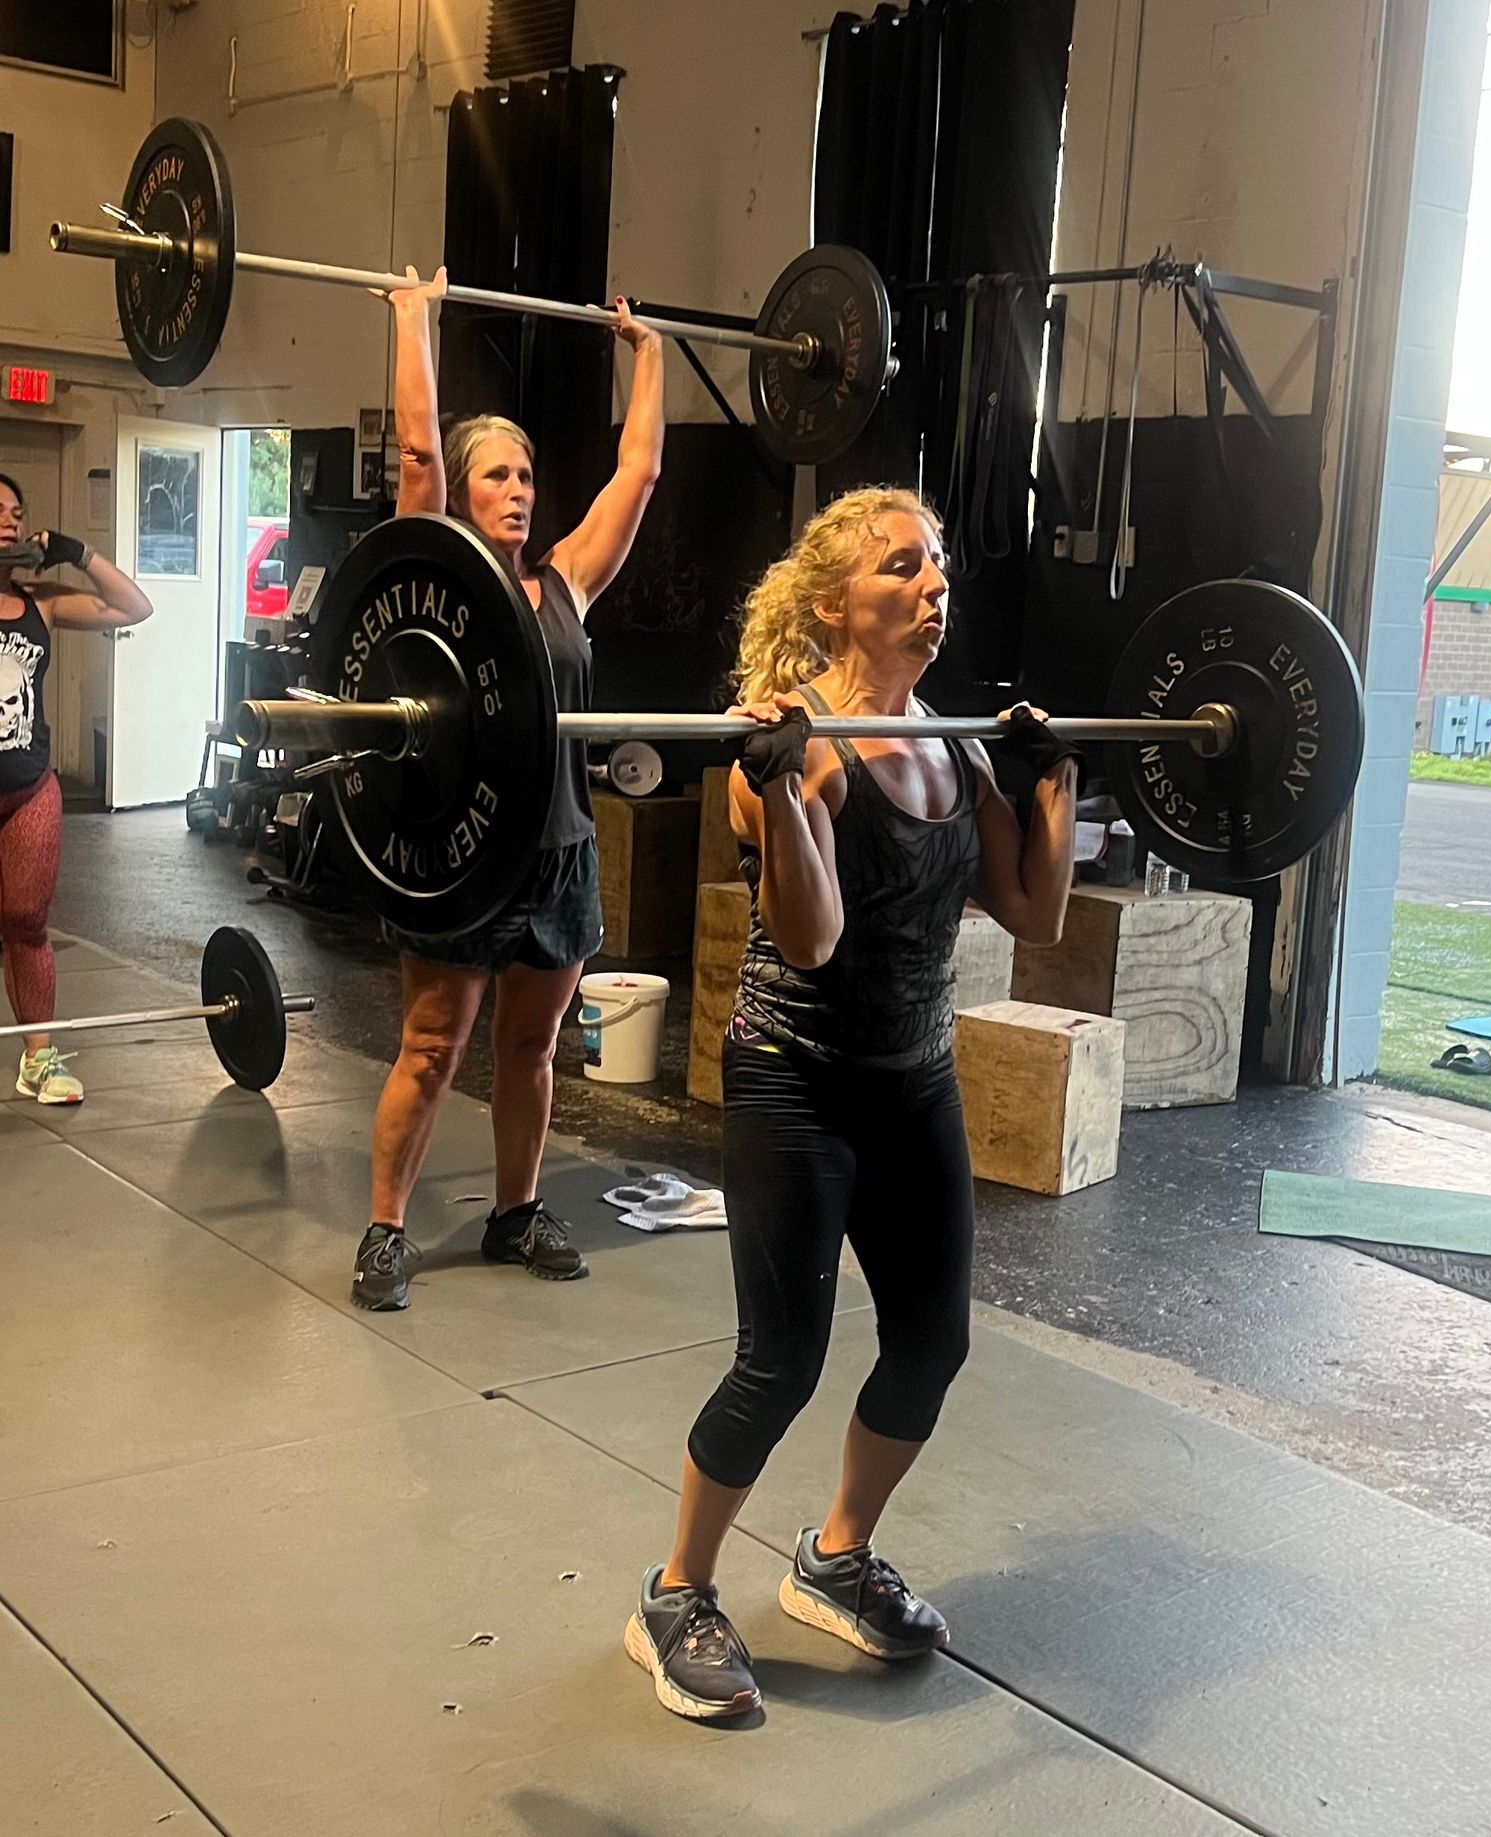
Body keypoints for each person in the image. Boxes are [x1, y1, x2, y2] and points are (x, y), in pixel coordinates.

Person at [624, 487, 1080, 1720]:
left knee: (933, 1342)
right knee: (781, 1361)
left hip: (913, 1080)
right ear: (834, 603)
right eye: (902, 567)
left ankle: (835, 1555)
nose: (935, 585)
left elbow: (1035, 910)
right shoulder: (799, 746)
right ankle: (676, 1591)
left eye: (939, 566)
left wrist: (1052, 777)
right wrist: (778, 795)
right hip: (796, 1077)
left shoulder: (960, 743)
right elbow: (813, 939)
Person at [350, 268, 665, 1311]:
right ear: (465, 491)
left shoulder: (568, 581)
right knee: (432, 1046)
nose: (520, 488)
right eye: (497, 474)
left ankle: (515, 1212)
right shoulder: (434, 571)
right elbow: (415, 455)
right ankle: (386, 1229)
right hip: (461, 859)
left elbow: (638, 474)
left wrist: (650, 355)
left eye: (527, 473)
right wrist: (415, 320)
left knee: (530, 1048)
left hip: (561, 852)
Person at [0, 473, 153, 1106]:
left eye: (16, 511)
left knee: (27, 922)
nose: (8, 520)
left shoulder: (43, 602)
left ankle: (38, 1060)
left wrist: (79, 553)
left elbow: (134, 607)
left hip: (29, 788)